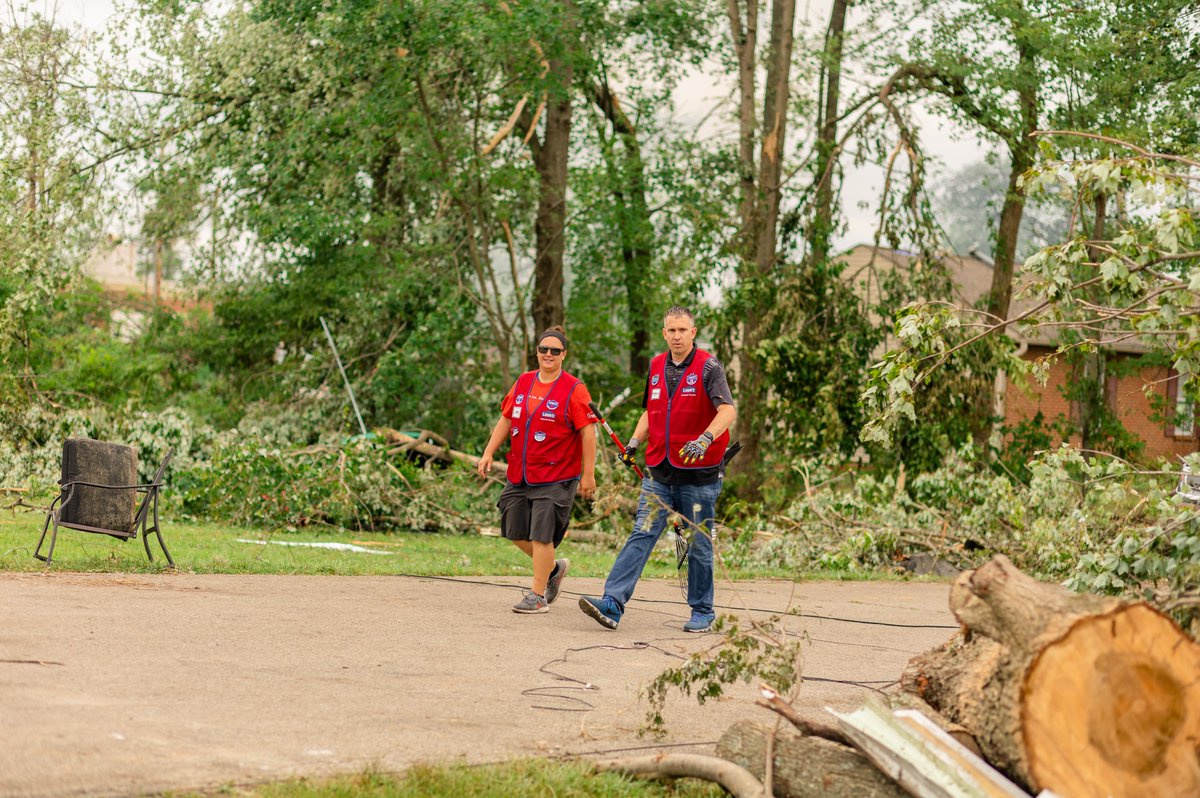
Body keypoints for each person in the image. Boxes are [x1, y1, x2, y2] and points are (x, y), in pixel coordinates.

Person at [579, 306, 736, 633]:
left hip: (699, 475)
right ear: (664, 333)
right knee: (642, 532)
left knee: (698, 541)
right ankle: (612, 602)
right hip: (660, 474)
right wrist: (634, 442)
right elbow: (652, 411)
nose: (677, 336)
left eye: (683, 330)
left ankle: (703, 611)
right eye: (671, 331)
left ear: (693, 332)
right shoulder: (655, 366)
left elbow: (727, 411)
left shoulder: (709, 367)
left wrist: (705, 439)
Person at [478, 327, 597, 614]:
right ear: (537, 351)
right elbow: (507, 418)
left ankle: (537, 595)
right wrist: (488, 451)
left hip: (557, 476)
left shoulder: (574, 389)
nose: (548, 354)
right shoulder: (523, 382)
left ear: (564, 355)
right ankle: (553, 569)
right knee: (513, 529)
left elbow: (588, 433)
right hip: (521, 472)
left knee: (542, 535)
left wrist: (588, 474)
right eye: (544, 349)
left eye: (555, 350)